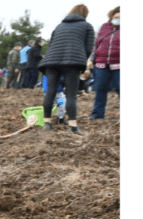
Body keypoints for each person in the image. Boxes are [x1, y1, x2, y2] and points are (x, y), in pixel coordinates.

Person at [39, 4, 96, 136]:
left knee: (50, 92)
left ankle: (47, 123)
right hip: (72, 62)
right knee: (71, 95)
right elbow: (88, 49)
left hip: (51, 61)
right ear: (85, 14)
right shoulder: (87, 26)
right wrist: (82, 62)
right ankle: (72, 126)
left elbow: (51, 44)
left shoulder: (59, 26)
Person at [88, 6, 120, 119]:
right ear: (111, 16)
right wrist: (91, 58)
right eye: (116, 17)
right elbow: (96, 45)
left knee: (120, 87)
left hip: (118, 64)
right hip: (101, 64)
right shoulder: (104, 27)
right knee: (101, 88)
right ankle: (97, 115)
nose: (118, 19)